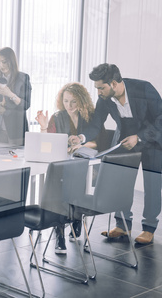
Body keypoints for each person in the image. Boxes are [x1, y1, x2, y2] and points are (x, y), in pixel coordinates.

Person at [78, 63, 162, 244]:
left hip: (152, 139)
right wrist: (81, 137)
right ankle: (123, 225)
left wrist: (139, 137)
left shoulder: (144, 88)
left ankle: (149, 228)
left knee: (152, 184)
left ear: (114, 83)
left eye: (101, 87)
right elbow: (96, 124)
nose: (98, 92)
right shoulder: (105, 98)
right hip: (125, 139)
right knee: (121, 183)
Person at [35, 82, 97, 254]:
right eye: (66, 101)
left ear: (82, 101)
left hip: (81, 163)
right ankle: (59, 231)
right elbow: (47, 144)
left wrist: (80, 144)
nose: (69, 106)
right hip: (62, 165)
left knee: (77, 179)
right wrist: (44, 127)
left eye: (73, 102)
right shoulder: (58, 117)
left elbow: (97, 141)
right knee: (58, 187)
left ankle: (76, 217)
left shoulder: (88, 118)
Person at [0, 47, 31, 145]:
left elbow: (26, 105)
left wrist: (10, 94)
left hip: (16, 130)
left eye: (4, 61)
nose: (1, 65)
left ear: (11, 61)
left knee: (16, 158)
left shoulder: (23, 78)